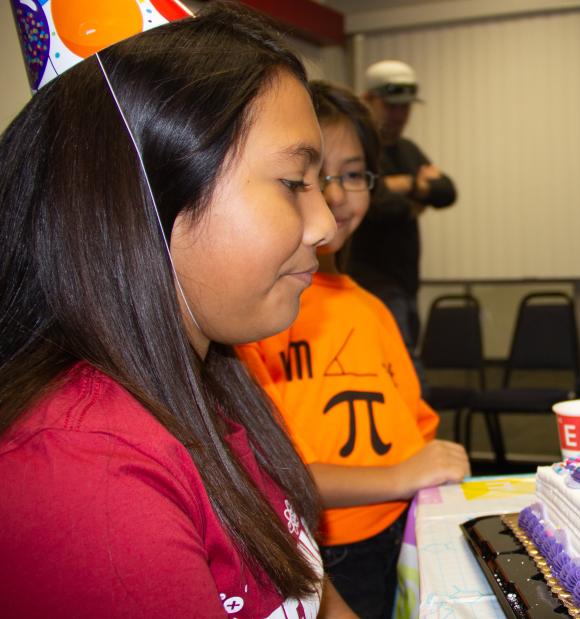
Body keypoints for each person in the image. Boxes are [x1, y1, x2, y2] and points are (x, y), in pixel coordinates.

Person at [0, 4, 358, 617]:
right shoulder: (89, 475)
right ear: (146, 194)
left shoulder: (209, 385)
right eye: (294, 182)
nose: (325, 224)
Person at [238, 81, 470, 619]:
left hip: (396, 533)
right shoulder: (259, 309)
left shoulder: (372, 307)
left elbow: (414, 430)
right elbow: (268, 475)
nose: (337, 196)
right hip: (322, 550)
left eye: (353, 173)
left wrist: (422, 470)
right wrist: (399, 476)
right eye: (315, 175)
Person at [353, 60, 457, 364]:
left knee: (407, 361)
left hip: (407, 282)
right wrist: (417, 186)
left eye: (406, 108)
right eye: (391, 106)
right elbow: (375, 207)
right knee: (402, 368)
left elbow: (447, 192)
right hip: (371, 282)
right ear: (368, 100)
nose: (400, 116)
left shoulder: (408, 150)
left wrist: (402, 187)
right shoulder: (360, 151)